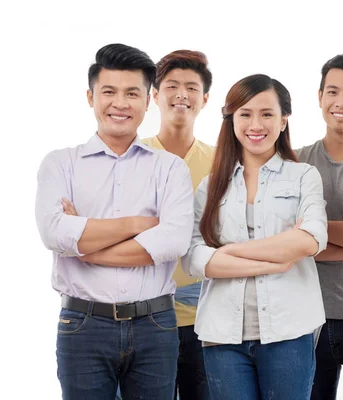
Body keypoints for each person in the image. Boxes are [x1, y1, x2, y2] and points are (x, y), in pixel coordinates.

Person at [35, 43, 194, 400]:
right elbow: (55, 232)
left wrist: (87, 246)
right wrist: (139, 223)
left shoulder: (169, 168)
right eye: (109, 92)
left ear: (148, 100)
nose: (120, 103)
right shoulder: (60, 164)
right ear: (90, 97)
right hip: (83, 325)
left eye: (131, 93)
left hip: (155, 325)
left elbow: (172, 242)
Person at [181, 74, 327, 400]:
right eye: (245, 114)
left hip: (289, 333)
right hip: (222, 337)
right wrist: (275, 258)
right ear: (231, 118)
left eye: (267, 114)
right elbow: (192, 257)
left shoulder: (303, 176)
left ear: (284, 120)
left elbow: (310, 239)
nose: (255, 124)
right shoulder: (211, 185)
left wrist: (228, 253)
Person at [296, 54, 343, 400]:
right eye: (333, 92)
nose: (341, 102)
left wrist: (312, 237)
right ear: (320, 97)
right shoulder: (295, 162)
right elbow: (287, 241)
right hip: (306, 318)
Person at [142, 49, 214, 400]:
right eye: (171, 85)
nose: (181, 94)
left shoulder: (222, 161)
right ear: (154, 95)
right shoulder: (134, 156)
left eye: (191, 86)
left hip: (208, 322)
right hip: (145, 320)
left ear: (205, 99)